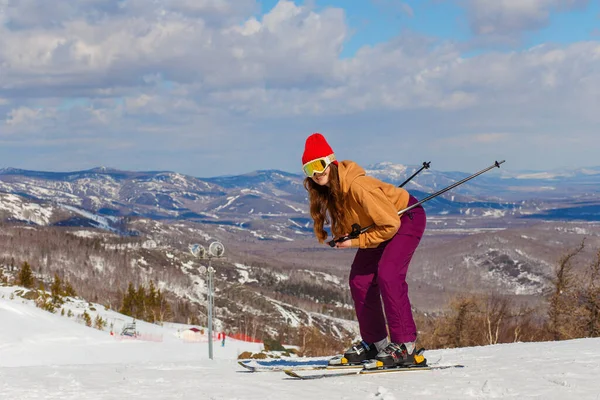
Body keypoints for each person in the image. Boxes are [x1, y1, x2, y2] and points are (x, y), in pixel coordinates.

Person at [301, 133, 427, 368]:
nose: (316, 173)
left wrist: (356, 242)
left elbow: (391, 225)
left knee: (388, 274)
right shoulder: (331, 189)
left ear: (331, 161)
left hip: (406, 217)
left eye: (319, 165)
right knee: (360, 279)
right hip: (382, 225)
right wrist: (348, 235)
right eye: (309, 169)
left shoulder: (357, 186)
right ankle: (375, 343)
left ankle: (405, 346)